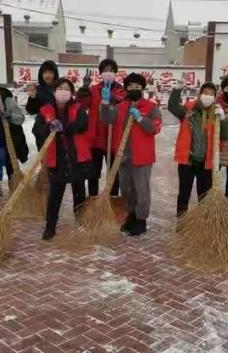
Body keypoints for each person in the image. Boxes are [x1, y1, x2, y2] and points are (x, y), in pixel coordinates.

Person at [100, 72, 162, 236]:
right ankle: (131, 216)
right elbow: (106, 119)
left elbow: (155, 128)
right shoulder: (120, 107)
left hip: (142, 156)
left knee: (141, 189)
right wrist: (105, 102)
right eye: (130, 86)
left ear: (142, 88)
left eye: (137, 86)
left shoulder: (151, 107)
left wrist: (141, 119)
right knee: (126, 189)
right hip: (123, 155)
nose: (134, 89)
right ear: (126, 88)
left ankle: (141, 220)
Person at [37, 79, 92, 240]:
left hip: (77, 158)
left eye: (67, 89)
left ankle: (81, 222)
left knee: (79, 193)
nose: (63, 92)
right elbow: (38, 130)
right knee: (54, 195)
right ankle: (50, 226)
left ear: (71, 92)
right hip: (57, 159)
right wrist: (49, 126)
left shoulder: (77, 108)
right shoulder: (46, 110)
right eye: (60, 88)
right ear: (54, 92)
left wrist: (63, 127)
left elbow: (82, 125)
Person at [169, 80, 227, 217]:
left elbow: (225, 135)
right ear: (200, 94)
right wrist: (176, 91)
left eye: (211, 94)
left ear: (215, 97)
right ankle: (181, 219)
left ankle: (203, 221)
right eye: (205, 93)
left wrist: (223, 119)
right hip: (188, 160)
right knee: (184, 192)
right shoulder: (189, 109)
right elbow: (172, 107)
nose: (208, 96)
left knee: (205, 194)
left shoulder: (216, 112)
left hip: (207, 162)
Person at [81, 59, 126, 197]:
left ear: (116, 73)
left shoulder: (121, 90)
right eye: (105, 70)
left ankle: (112, 199)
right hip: (96, 138)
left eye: (111, 70)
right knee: (93, 173)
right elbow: (82, 105)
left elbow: (122, 103)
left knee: (114, 173)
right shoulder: (93, 90)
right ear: (100, 73)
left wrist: (112, 98)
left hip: (113, 138)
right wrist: (84, 89)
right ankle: (93, 199)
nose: (108, 73)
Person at [25, 60, 60, 150]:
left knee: (59, 160)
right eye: (45, 72)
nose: (47, 75)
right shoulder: (37, 89)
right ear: (41, 74)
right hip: (41, 131)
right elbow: (31, 110)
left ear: (55, 74)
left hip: (58, 130)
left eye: (50, 72)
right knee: (45, 159)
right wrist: (33, 98)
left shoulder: (60, 88)